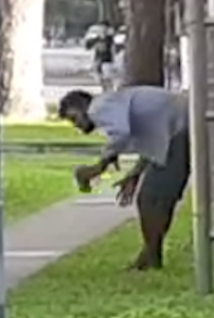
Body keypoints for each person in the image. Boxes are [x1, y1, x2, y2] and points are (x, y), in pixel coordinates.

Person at [58, 86, 189, 271]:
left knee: (150, 199)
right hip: (179, 129)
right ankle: (148, 256)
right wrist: (134, 174)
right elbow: (152, 145)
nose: (77, 126)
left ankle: (151, 259)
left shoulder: (98, 108)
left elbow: (122, 133)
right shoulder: (115, 104)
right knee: (157, 199)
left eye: (74, 118)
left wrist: (99, 166)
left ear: (83, 106)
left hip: (180, 131)